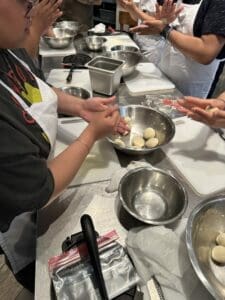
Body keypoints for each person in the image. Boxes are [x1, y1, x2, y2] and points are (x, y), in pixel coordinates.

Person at [0, 0, 127, 293]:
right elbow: (40, 189)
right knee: (44, 281)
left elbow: (32, 86)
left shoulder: (6, 51)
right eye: (22, 1)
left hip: (45, 170)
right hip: (26, 219)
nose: (29, 7)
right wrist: (91, 134)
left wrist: (82, 107)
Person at [118, 0, 225, 98]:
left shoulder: (218, 3)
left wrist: (165, 30)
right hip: (164, 81)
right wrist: (164, 22)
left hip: (190, 91)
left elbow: (206, 52)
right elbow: (166, 26)